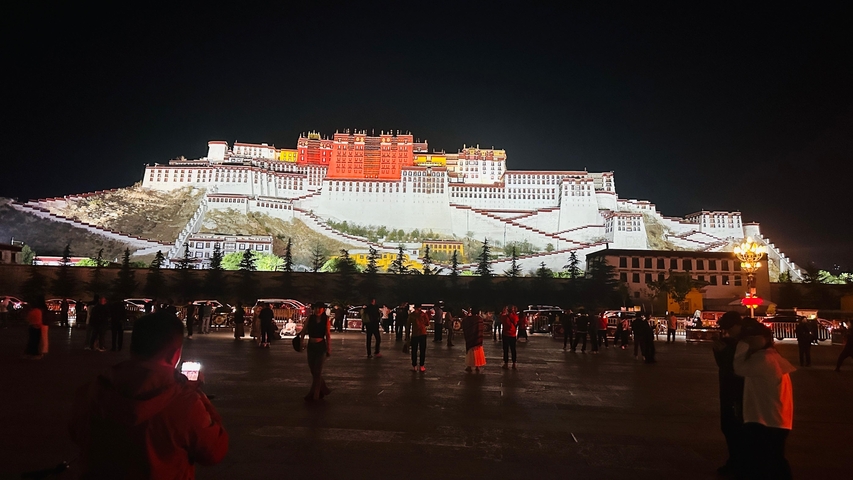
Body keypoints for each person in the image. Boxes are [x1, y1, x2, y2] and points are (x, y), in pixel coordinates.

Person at [69, 311, 228, 477]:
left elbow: (76, 434)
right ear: (174, 354)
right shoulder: (186, 402)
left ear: (133, 347)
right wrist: (198, 396)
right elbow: (213, 452)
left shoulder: (92, 390)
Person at [733, 322, 795, 480]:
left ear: (765, 338)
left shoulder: (764, 359)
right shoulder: (771, 356)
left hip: (766, 421)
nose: (749, 341)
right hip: (774, 418)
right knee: (774, 460)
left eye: (753, 338)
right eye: (747, 338)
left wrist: (741, 345)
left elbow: (739, 368)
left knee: (768, 462)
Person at [712, 311, 745, 476]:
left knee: (734, 427)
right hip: (729, 389)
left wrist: (722, 353)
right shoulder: (730, 343)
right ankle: (736, 461)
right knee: (729, 427)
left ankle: (737, 463)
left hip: (736, 391)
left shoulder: (742, 344)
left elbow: (735, 368)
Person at [299, 303, 332, 402]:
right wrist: (301, 341)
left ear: (323, 309)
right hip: (311, 346)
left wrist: (329, 348)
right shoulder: (310, 318)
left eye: (320, 308)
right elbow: (304, 330)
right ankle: (323, 389)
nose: (318, 310)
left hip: (321, 346)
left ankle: (315, 394)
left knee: (317, 371)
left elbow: (327, 334)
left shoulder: (325, 320)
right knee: (313, 370)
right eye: (316, 308)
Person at [462, 306, 486, 372]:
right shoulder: (479, 319)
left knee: (470, 353)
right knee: (477, 352)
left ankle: (469, 366)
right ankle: (477, 366)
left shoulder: (468, 319)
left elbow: (464, 323)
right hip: (477, 338)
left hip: (470, 338)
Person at [407, 304, 430, 372]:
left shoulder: (412, 315)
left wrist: (407, 336)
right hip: (422, 333)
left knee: (414, 350)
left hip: (415, 334)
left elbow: (408, 325)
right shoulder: (423, 314)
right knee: (422, 350)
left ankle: (415, 365)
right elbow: (427, 323)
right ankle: (421, 365)